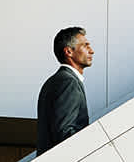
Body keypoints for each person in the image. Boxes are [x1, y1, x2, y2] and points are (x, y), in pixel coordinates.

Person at [36, 27, 94, 155]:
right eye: (85, 46)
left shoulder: (56, 80)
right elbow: (64, 133)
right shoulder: (68, 82)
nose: (92, 51)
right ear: (69, 51)